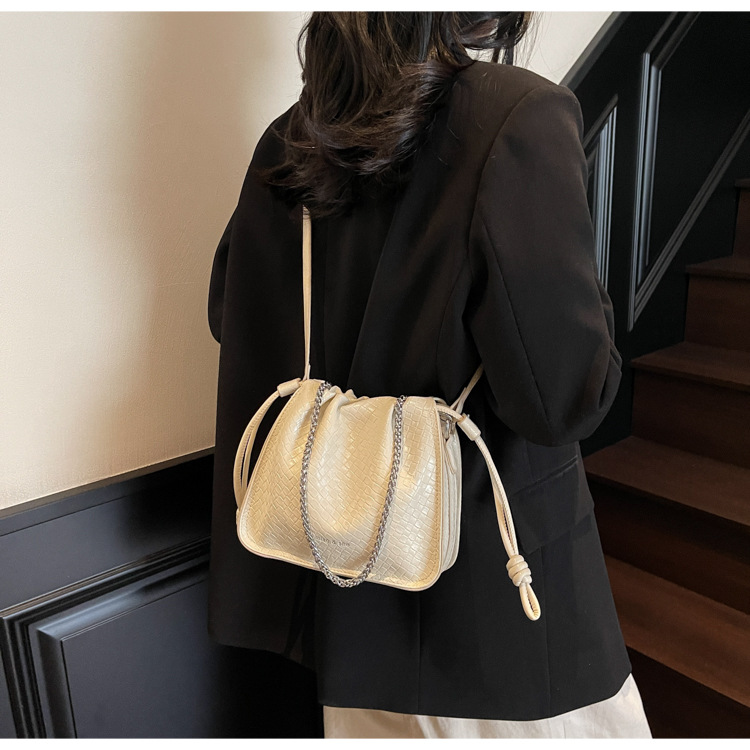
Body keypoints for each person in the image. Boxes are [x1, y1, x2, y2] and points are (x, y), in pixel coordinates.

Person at [206, 11, 652, 739]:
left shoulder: (289, 141)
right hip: (495, 630)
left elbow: (234, 316)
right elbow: (565, 399)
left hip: (344, 608)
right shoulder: (517, 116)